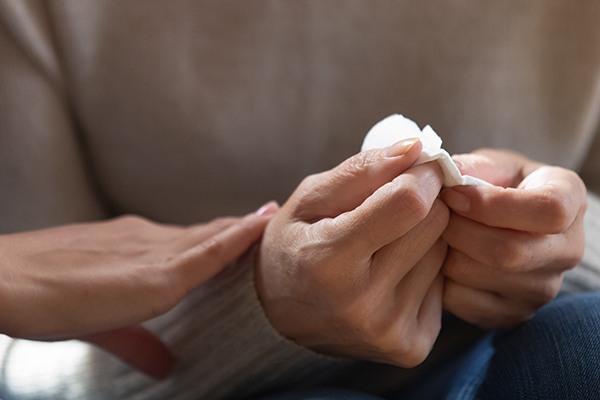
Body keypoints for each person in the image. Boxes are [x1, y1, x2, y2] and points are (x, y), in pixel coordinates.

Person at [0, 1, 599, 399]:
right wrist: (257, 310)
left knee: (585, 345)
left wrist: (553, 238)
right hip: (200, 382)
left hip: (507, 343)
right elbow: (30, 354)